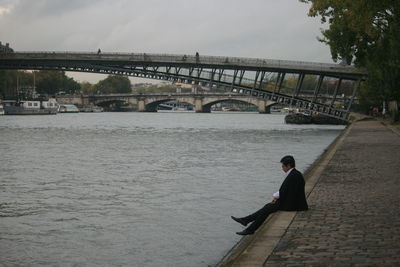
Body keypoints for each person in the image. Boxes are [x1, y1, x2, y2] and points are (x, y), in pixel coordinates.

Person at [231, 155, 308, 235]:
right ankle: (246, 222)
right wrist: (276, 198)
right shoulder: (294, 173)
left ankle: (249, 226)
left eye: (283, 166)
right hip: (292, 201)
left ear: (288, 166)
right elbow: (286, 191)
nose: (282, 168)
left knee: (267, 208)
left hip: (294, 204)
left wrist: (275, 197)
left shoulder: (293, 175)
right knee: (267, 207)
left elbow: (284, 191)